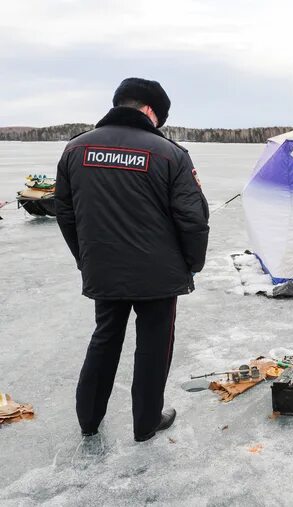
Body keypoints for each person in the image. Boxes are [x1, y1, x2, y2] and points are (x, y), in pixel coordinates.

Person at [55, 78, 209, 441]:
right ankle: (146, 421)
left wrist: (87, 258)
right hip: (159, 274)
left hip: (104, 268)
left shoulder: (76, 149)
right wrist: (192, 265)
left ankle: (89, 420)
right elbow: (193, 219)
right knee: (154, 344)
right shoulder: (169, 153)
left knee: (105, 336)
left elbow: (65, 212)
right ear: (151, 111)